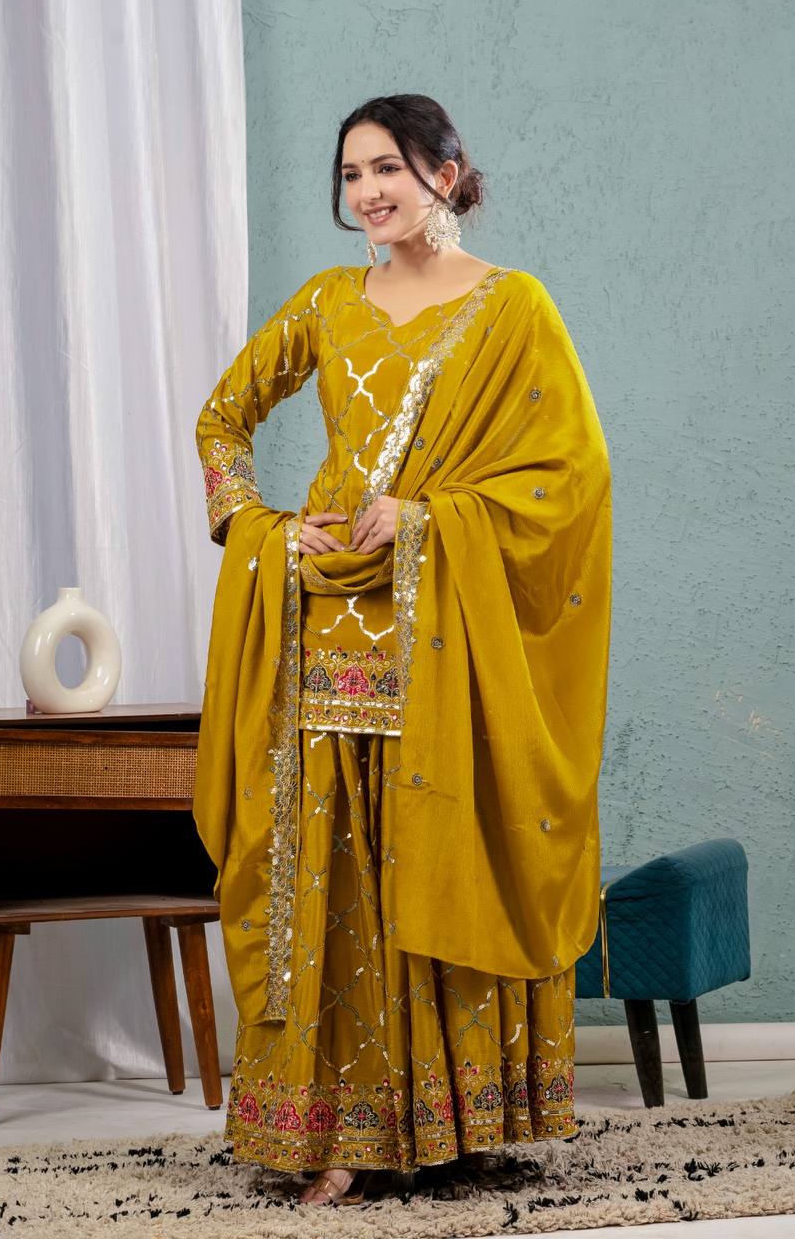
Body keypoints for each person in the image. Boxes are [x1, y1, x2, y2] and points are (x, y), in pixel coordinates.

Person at [192, 93, 612, 1207]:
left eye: (386, 168)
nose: (367, 192)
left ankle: (444, 1124)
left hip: (443, 634)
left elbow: (568, 478)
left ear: (446, 173)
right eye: (351, 175)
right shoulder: (328, 303)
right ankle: (338, 1134)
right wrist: (258, 524)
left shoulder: (511, 308)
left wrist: (428, 519)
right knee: (330, 877)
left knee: (431, 855)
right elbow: (222, 420)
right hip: (324, 623)